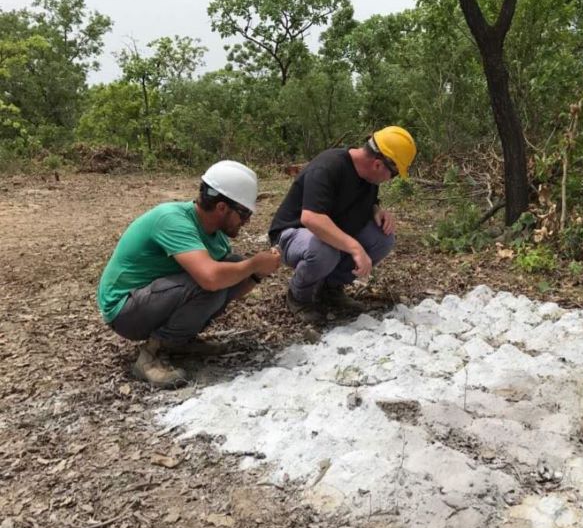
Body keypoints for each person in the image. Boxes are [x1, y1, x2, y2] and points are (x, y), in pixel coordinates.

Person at [97, 160, 281, 387]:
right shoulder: (172, 220)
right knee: (210, 280)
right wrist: (254, 264)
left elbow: (227, 291)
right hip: (124, 311)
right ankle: (150, 357)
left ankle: (178, 342)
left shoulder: (217, 237)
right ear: (222, 207)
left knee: (232, 267)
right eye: (243, 214)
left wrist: (257, 273)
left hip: (154, 300)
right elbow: (210, 279)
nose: (247, 221)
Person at [268, 126, 416, 323]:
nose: (391, 180)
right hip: (294, 234)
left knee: (382, 239)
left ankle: (330, 288)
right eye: (394, 174)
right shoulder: (329, 166)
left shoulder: (368, 176)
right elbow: (311, 218)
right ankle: (299, 296)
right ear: (378, 165)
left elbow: (361, 200)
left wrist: (377, 211)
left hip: (329, 233)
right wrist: (355, 248)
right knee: (325, 252)